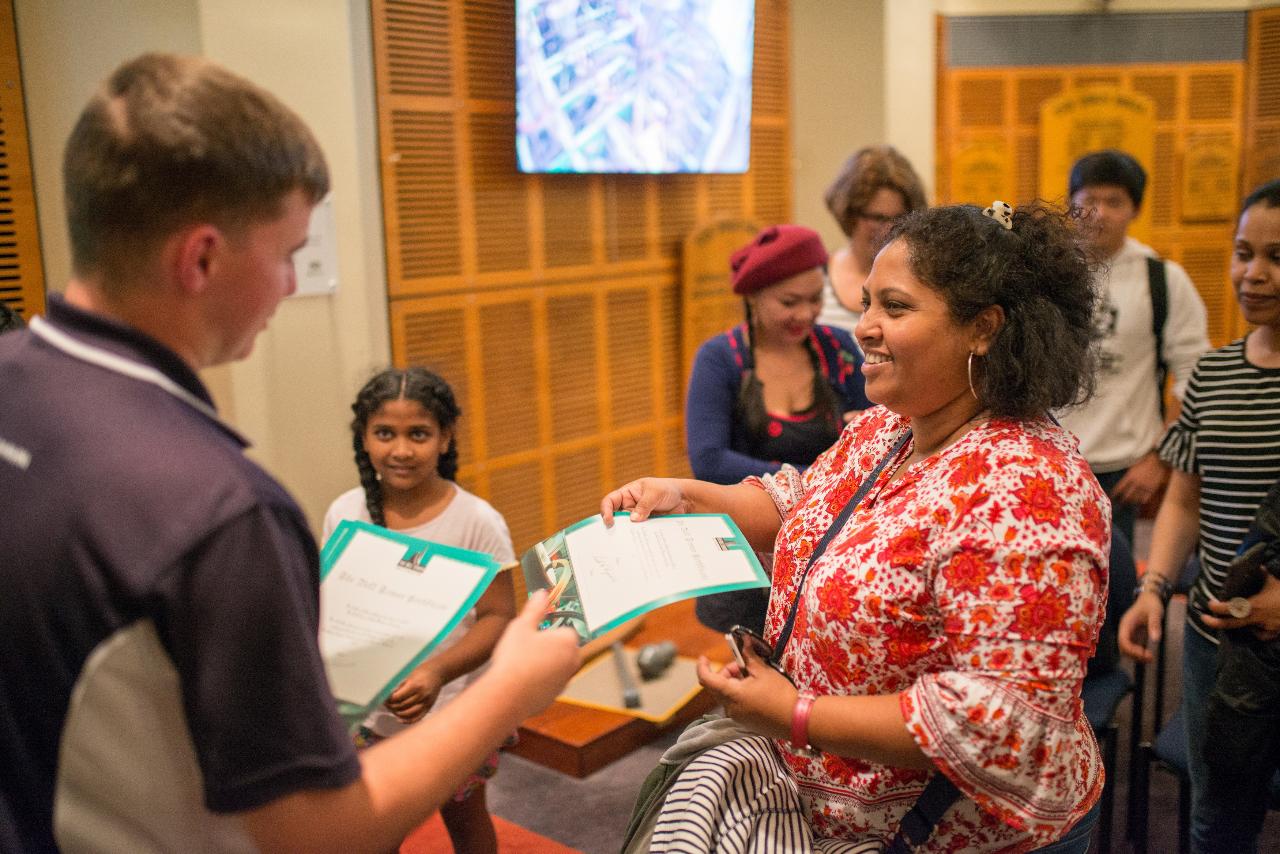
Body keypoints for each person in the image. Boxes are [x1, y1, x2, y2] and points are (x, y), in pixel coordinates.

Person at [0, 53, 579, 853]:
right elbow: (318, 834)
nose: (290, 286)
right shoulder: (219, 510)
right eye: (288, 255)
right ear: (201, 258)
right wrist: (510, 688)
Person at [606, 200, 1108, 852]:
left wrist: (795, 714)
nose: (861, 328)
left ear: (983, 328)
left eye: (894, 309)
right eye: (866, 303)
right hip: (829, 804)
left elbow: (1001, 726)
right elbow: (801, 505)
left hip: (955, 832)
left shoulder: (1029, 489)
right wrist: (685, 494)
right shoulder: (887, 427)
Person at [1119, 179, 1280, 854]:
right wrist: (1155, 589)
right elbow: (1185, 497)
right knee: (1218, 816)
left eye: (1276, 256)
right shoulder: (1212, 375)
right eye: (1243, 252)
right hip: (1219, 641)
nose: (1253, 272)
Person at [323, 366, 516, 854]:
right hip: (370, 712)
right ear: (363, 438)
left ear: (446, 437)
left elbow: (498, 617)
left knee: (465, 818)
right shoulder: (344, 513)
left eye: (419, 434)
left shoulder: (476, 522)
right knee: (377, 826)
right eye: (385, 433)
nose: (402, 450)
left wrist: (436, 671)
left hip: (454, 711)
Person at [685, 224, 869, 634]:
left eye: (815, 299)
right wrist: (819, 482)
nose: (805, 314)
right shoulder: (720, 359)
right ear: (753, 296)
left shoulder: (838, 349)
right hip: (739, 547)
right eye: (789, 302)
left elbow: (878, 437)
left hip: (825, 549)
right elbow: (709, 460)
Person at [1057, 149, 1209, 546]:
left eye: (1114, 202)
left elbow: (1196, 376)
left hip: (1123, 473)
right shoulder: (1049, 273)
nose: (1100, 213)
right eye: (1089, 200)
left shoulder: (1162, 279)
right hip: (1048, 460)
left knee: (1114, 593)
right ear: (1072, 204)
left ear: (1135, 209)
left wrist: (1161, 457)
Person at [819, 145, 928, 336]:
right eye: (877, 218)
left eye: (898, 218)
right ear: (850, 214)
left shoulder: (921, 280)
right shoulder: (816, 279)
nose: (888, 229)